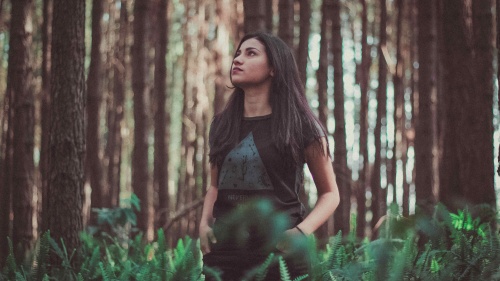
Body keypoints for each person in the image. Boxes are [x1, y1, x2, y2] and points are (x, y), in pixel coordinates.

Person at [199, 32, 340, 281]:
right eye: (238, 53)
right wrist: (204, 225)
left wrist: (300, 232)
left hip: (280, 251)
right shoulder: (221, 124)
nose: (238, 59)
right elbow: (214, 186)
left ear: (274, 67)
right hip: (225, 253)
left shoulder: (301, 125)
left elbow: (330, 194)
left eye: (250, 53)